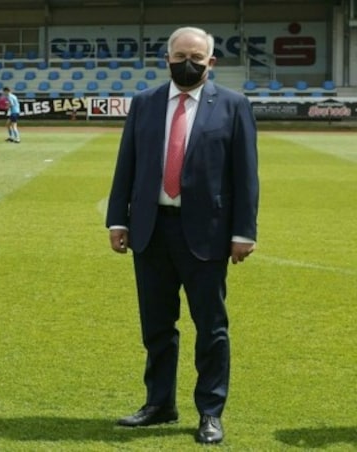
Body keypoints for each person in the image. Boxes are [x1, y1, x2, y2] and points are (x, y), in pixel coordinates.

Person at [105, 26, 258, 445]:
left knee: (211, 328)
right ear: (167, 57)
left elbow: (245, 176)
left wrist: (244, 231)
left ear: (211, 62)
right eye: (179, 55)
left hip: (207, 234)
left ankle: (210, 411)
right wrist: (118, 220)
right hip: (150, 231)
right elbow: (127, 165)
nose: (186, 62)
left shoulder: (233, 106)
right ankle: (159, 404)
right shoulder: (145, 104)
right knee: (156, 325)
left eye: (196, 56)